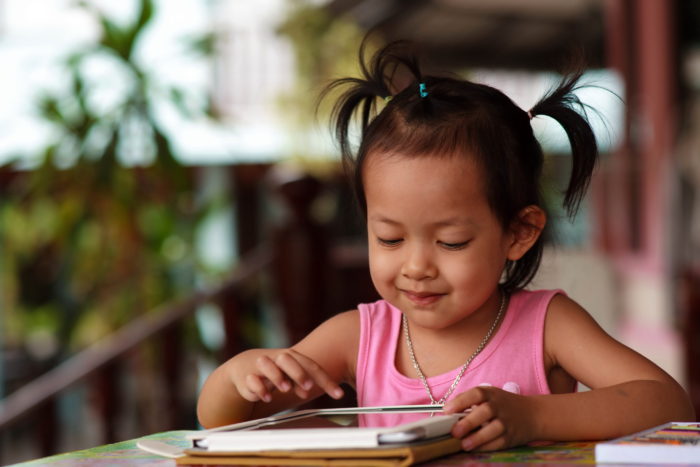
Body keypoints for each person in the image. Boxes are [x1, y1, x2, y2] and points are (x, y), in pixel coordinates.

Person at [197, 40, 695, 451]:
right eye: (389, 238)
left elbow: (668, 404)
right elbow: (220, 422)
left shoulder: (547, 328)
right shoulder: (358, 338)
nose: (416, 266)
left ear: (518, 232)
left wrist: (534, 417)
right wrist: (239, 376)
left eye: (451, 242)